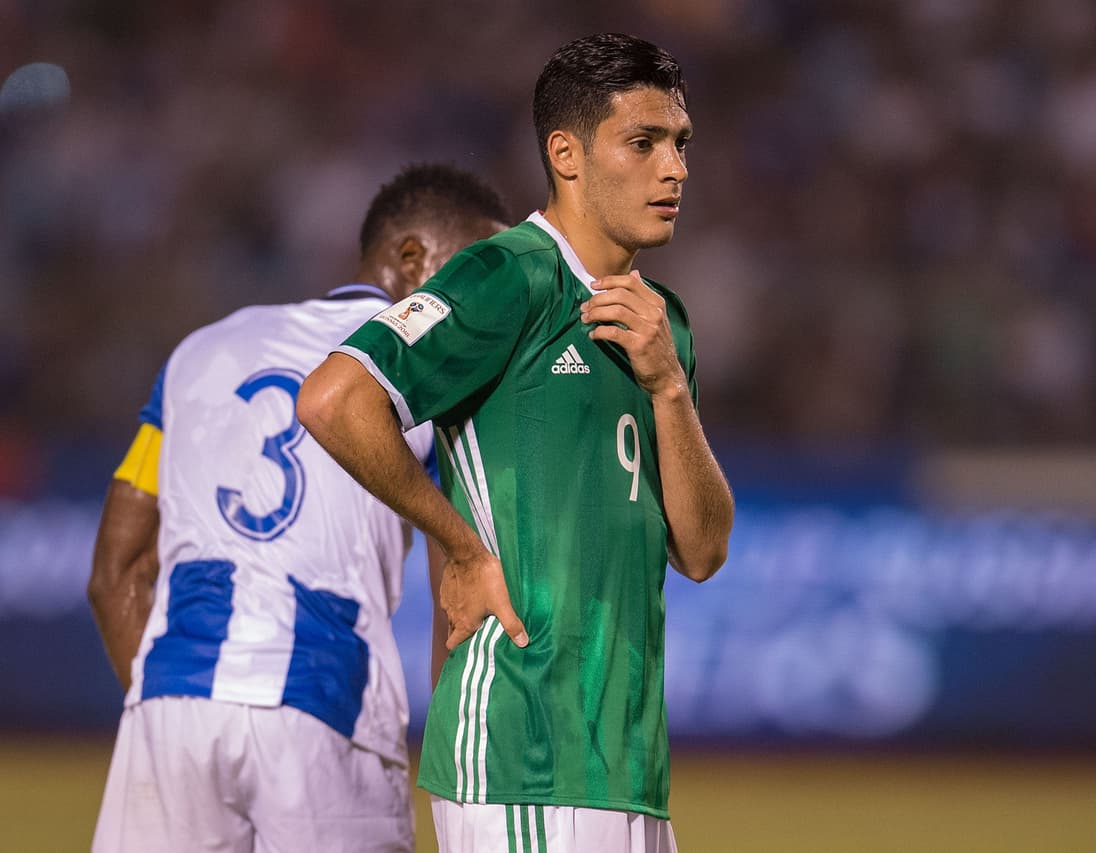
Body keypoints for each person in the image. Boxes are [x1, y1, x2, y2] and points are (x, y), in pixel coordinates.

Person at [297, 33, 735, 852]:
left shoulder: (662, 322)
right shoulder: (510, 275)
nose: (674, 168)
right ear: (566, 155)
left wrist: (670, 388)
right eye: (643, 143)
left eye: (680, 143)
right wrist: (462, 550)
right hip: (524, 751)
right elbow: (334, 398)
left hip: (627, 765)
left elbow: (704, 550)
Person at [86, 163, 511, 853]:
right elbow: (456, 597)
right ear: (411, 258)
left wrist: (183, 709)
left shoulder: (199, 350)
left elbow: (114, 575)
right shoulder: (429, 370)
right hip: (326, 698)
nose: (488, 304)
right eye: (472, 276)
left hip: (171, 705)